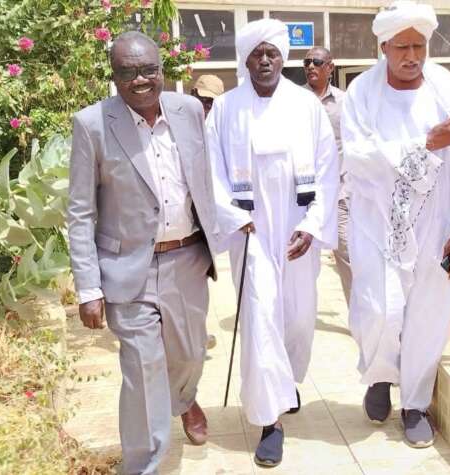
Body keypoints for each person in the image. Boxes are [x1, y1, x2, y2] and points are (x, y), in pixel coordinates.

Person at [341, 1, 450, 448]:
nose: (412, 56)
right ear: (383, 47)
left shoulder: (445, 86)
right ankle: (379, 375)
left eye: (419, 46)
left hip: (437, 219)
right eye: (402, 47)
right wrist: (424, 143)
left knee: (429, 315)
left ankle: (414, 404)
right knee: (377, 309)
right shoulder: (362, 92)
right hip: (378, 222)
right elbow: (357, 158)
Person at [67, 31, 219, 474]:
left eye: (149, 69)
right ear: (114, 75)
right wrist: (88, 287)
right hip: (126, 267)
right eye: (128, 72)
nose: (140, 80)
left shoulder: (189, 111)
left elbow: (204, 178)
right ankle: (143, 464)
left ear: (162, 69)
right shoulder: (92, 124)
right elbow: (80, 211)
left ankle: (182, 399)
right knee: (142, 369)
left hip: (187, 259)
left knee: (190, 354)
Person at [206, 19, 339, 468]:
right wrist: (235, 217)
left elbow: (328, 169)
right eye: (257, 53)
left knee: (298, 319)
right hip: (252, 232)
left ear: (283, 59)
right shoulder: (225, 109)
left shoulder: (306, 105)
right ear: (245, 60)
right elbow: (212, 171)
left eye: (273, 53)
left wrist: (314, 224)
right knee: (261, 320)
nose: (265, 60)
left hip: (297, 229)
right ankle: (270, 421)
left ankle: (287, 382)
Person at [302, 46, 351, 304]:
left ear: (330, 67)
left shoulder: (346, 103)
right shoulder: (295, 101)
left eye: (317, 62)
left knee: (349, 257)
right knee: (300, 262)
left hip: (338, 195)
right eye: (307, 62)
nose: (311, 66)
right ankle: (300, 316)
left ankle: (360, 320)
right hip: (302, 198)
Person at [189, 73, 225, 351]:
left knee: (200, 276)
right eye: (201, 100)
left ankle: (198, 332)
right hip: (183, 216)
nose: (205, 107)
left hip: (207, 217)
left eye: (211, 102)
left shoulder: (222, 128)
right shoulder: (180, 125)